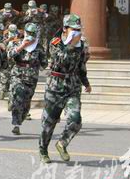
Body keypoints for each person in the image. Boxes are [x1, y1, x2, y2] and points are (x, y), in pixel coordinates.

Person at [39, 14, 91, 163]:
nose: (76, 32)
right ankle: (43, 150)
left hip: (73, 85)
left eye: (78, 29)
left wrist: (86, 83)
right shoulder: (55, 42)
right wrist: (70, 45)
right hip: (55, 86)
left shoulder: (82, 44)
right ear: (65, 29)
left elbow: (81, 66)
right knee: (49, 122)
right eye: (73, 29)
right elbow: (59, 61)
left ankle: (62, 143)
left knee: (76, 119)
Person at [7, 23, 48, 135]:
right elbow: (9, 56)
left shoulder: (39, 47)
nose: (30, 35)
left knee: (26, 103)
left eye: (32, 33)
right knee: (17, 95)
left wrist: (37, 66)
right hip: (18, 74)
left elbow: (44, 63)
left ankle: (20, 119)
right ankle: (16, 124)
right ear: (24, 32)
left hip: (31, 77)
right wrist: (22, 46)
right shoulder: (16, 43)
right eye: (28, 33)